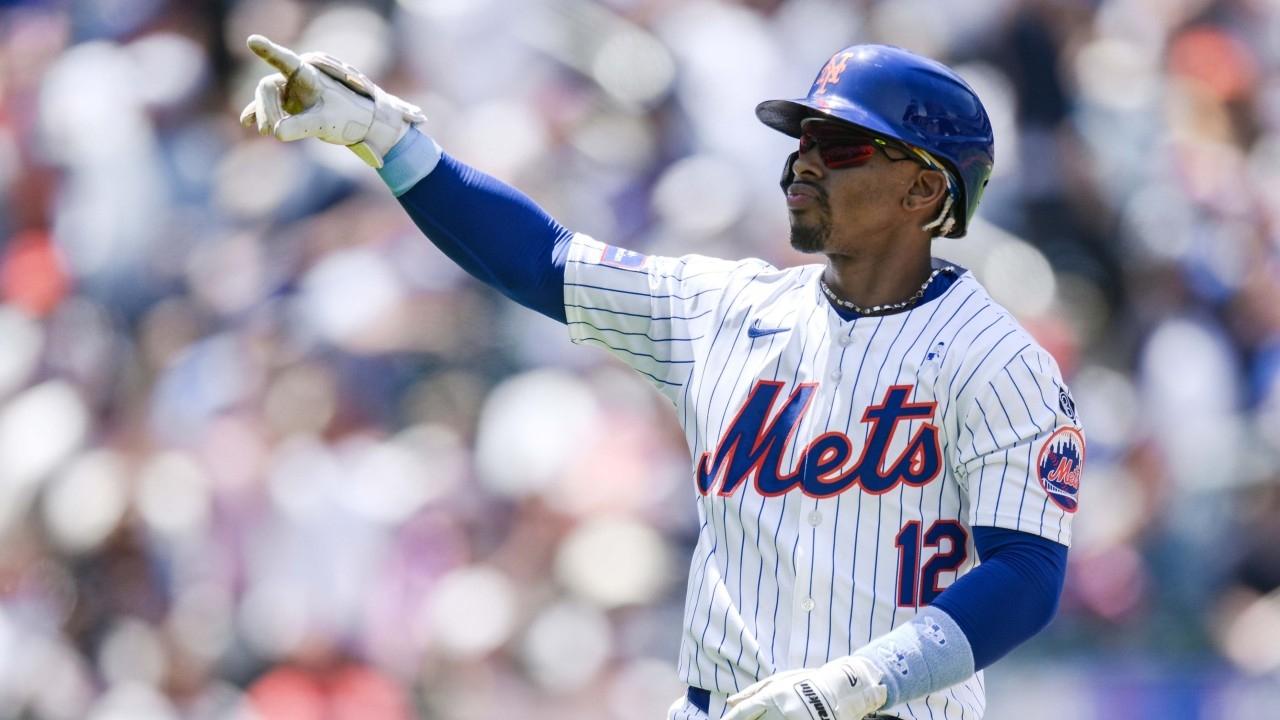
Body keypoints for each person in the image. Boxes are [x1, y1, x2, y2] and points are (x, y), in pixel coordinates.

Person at [241, 36, 1083, 720]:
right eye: (802, 140)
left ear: (924, 188)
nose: (803, 163)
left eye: (841, 144)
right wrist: (387, 139)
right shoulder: (718, 309)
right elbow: (541, 260)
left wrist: (854, 684)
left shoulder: (998, 360)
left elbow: (1027, 574)